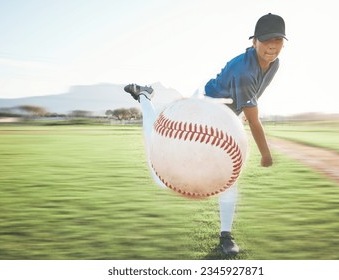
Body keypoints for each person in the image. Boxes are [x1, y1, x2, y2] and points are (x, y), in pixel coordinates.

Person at [123, 13, 287, 255]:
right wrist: (265, 154)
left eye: (278, 40)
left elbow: (249, 104)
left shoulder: (274, 63)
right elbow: (254, 120)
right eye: (266, 40)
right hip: (204, 107)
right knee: (160, 175)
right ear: (254, 42)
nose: (272, 46)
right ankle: (145, 98)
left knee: (229, 175)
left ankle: (226, 236)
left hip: (226, 116)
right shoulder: (244, 71)